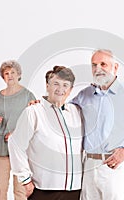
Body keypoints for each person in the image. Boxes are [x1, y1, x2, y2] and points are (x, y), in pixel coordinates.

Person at [71, 49, 124, 200]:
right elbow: (63, 111)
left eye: (103, 64)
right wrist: (40, 104)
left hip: (115, 165)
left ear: (115, 67)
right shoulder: (84, 94)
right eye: (94, 65)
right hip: (88, 166)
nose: (97, 69)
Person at [8, 66, 83, 200]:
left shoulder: (76, 112)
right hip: (44, 189)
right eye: (56, 84)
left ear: (70, 90)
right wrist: (25, 180)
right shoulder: (34, 112)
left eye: (65, 85)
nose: (60, 89)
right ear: (47, 86)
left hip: (75, 190)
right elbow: (15, 144)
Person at [0, 60, 36, 200]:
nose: (10, 76)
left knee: (20, 190)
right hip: (1, 147)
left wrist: (16, 134)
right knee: (1, 188)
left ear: (19, 74)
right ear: (3, 76)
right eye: (6, 73)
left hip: (21, 148)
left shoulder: (28, 95)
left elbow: (34, 123)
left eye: (12, 73)